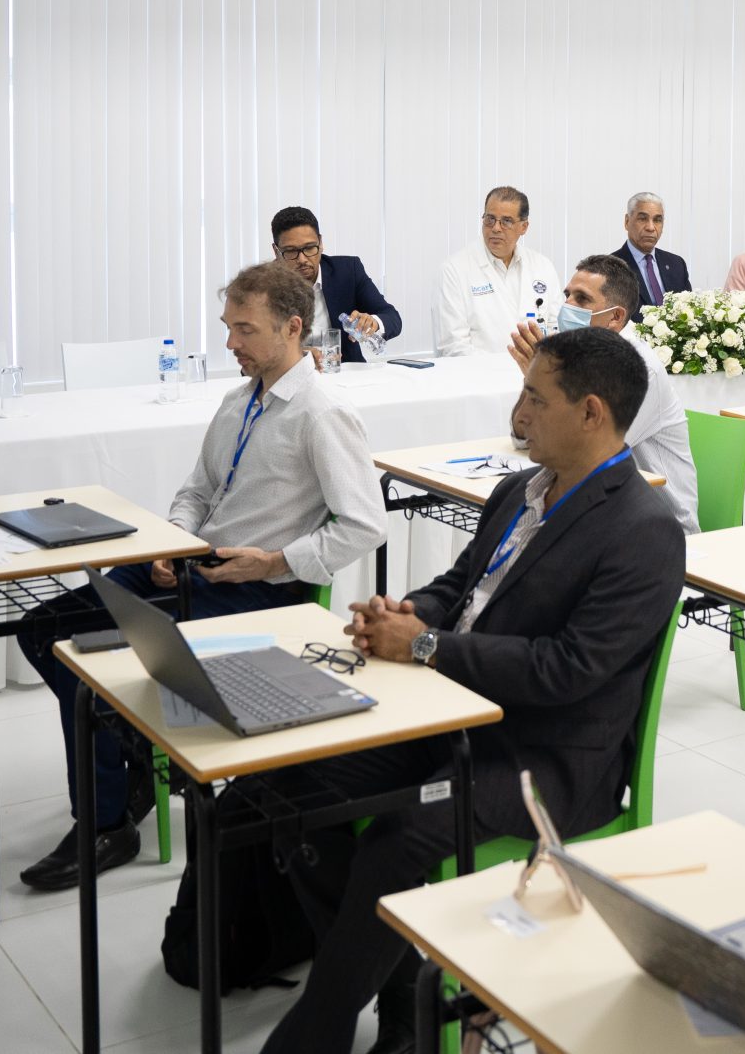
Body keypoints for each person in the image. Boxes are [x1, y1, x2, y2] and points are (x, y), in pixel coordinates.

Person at [260, 327, 684, 1054]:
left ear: (591, 412)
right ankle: (397, 999)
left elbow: (568, 668)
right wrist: (409, 613)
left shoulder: (643, 528)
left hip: (544, 756)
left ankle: (314, 1031)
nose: (517, 412)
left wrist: (427, 646)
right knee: (295, 789)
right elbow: (461, 588)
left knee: (399, 838)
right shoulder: (521, 488)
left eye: (533, 397)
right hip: (450, 714)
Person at [14, 262, 384, 888]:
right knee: (44, 628)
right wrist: (172, 539)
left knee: (91, 671)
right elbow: (197, 490)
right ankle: (129, 760)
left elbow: (363, 524)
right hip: (186, 568)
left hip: (250, 591)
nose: (231, 344)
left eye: (244, 330)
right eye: (228, 327)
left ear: (293, 328)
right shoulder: (238, 400)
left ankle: (106, 822)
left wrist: (275, 561)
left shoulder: (321, 413)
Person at [509, 254, 696, 527]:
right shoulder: (577, 355)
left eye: (582, 299)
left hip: (656, 526)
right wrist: (534, 381)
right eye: (567, 295)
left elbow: (583, 453)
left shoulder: (639, 369)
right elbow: (524, 437)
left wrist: (544, 385)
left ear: (615, 317)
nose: (567, 306)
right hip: (600, 509)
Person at [433, 185, 558, 356]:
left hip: (534, 376)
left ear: (524, 227)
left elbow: (555, 328)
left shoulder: (543, 266)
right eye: (490, 219)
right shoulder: (454, 270)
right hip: (477, 377)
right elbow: (453, 346)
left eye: (506, 221)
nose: (496, 228)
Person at [271, 205, 402, 362]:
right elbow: (252, 350)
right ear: (276, 251)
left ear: (320, 243)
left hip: (345, 376)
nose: (302, 259)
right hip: (290, 377)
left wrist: (373, 322)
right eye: (291, 251)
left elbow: (392, 318)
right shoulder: (262, 286)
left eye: (310, 247)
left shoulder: (347, 271)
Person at [612, 190, 690, 306]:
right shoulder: (610, 268)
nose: (650, 227)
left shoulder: (676, 264)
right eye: (643, 219)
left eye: (657, 220)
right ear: (627, 222)